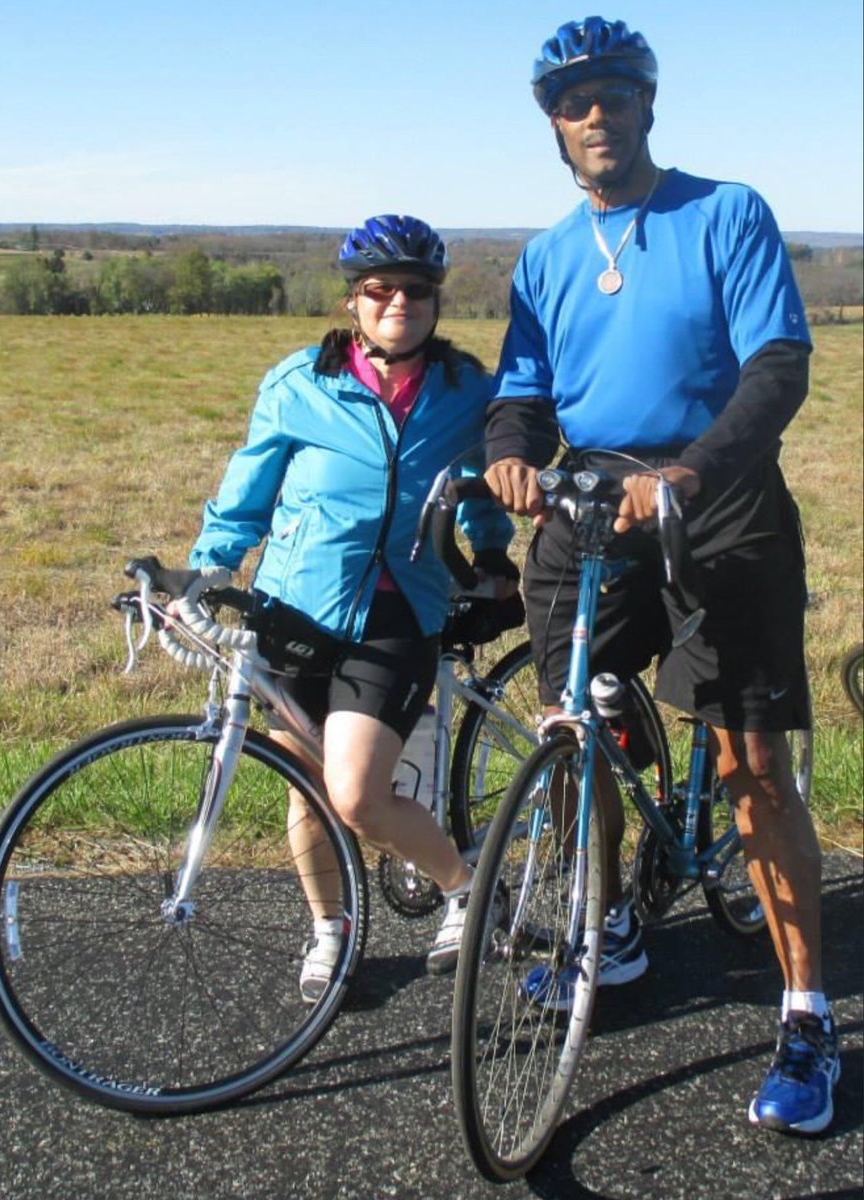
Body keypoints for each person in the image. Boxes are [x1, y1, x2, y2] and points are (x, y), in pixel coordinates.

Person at [484, 17, 839, 1136]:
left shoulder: (722, 211)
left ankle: (803, 1012)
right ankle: (615, 929)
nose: (594, 112)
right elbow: (524, 389)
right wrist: (504, 450)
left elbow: (775, 366)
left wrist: (690, 467)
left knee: (749, 761)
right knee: (572, 724)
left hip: (714, 494)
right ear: (551, 123)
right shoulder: (542, 256)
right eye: (572, 98)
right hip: (591, 500)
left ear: (644, 104)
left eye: (613, 92)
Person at [189, 214, 519, 1001]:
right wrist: (209, 566)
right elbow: (250, 485)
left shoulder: (464, 390)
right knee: (305, 788)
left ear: (436, 302)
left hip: (400, 610)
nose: (397, 301)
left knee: (356, 794)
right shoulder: (300, 383)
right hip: (296, 609)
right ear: (353, 302)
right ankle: (330, 931)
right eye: (380, 289)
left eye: (415, 289)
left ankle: (466, 888)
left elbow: (477, 486)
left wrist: (493, 555)